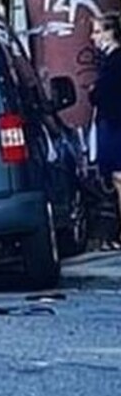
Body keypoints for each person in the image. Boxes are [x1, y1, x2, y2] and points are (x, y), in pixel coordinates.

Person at [90, 13, 121, 249]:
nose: (94, 37)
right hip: (112, 122)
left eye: (99, 31)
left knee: (119, 177)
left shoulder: (114, 62)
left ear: (112, 33)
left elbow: (103, 94)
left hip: (114, 123)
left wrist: (94, 92)